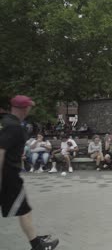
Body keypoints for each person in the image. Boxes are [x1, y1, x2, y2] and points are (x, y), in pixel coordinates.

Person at [0, 95, 59, 249]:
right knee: (24, 210)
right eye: (29, 106)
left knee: (24, 209)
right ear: (24, 109)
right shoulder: (14, 127)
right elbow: (1, 151)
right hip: (9, 177)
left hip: (8, 176)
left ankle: (35, 240)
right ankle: (37, 246)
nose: (30, 109)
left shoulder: (5, 121)